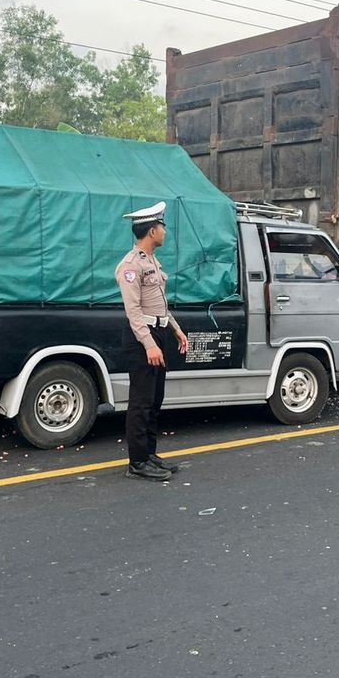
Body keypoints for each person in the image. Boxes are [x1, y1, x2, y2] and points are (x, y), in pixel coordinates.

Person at [115, 201, 189, 481]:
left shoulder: (152, 262)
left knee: (155, 399)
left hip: (157, 333)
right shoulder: (131, 266)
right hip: (141, 338)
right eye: (162, 227)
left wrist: (176, 330)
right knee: (141, 401)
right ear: (152, 230)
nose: (165, 232)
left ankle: (150, 454)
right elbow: (133, 312)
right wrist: (149, 344)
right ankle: (137, 462)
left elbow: (160, 305)